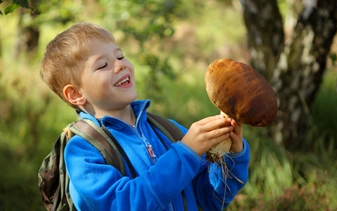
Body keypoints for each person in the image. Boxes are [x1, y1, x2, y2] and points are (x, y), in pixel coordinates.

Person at [40, 22, 250, 211]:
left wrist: (231, 155)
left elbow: (211, 199)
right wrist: (186, 153)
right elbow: (126, 204)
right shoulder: (82, 152)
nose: (120, 65)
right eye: (103, 65)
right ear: (75, 94)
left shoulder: (168, 130)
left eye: (120, 56)